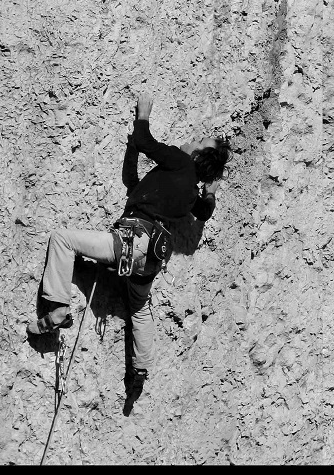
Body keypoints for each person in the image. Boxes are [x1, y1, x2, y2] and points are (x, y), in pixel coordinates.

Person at [26, 92, 230, 409]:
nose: (191, 141)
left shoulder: (179, 162)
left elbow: (146, 141)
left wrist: (144, 113)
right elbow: (202, 213)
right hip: (150, 258)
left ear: (198, 155)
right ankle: (140, 369)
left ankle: (57, 307)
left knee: (62, 239)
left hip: (131, 241)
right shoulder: (192, 194)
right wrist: (211, 192)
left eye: (197, 141)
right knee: (139, 309)